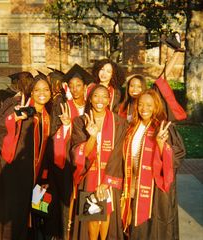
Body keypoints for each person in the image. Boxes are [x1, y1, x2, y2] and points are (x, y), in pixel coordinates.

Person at [0, 73, 52, 240]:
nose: (42, 93)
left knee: (24, 213)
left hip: (26, 172)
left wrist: (42, 178)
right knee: (7, 214)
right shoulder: (17, 103)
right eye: (37, 90)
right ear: (31, 91)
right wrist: (13, 118)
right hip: (3, 165)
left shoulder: (45, 115)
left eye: (45, 89)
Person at [121, 89, 186, 240]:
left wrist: (161, 144)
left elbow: (177, 156)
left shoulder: (164, 128)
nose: (144, 109)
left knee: (154, 229)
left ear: (156, 106)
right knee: (135, 228)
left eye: (149, 105)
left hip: (156, 189)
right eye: (141, 105)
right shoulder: (131, 128)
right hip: (133, 184)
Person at [70, 84, 127, 240]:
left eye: (104, 96)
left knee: (107, 215)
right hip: (89, 174)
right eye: (96, 96)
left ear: (109, 100)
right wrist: (93, 136)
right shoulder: (80, 122)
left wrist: (106, 181)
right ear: (90, 99)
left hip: (110, 176)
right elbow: (79, 153)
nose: (100, 100)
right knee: (92, 217)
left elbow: (118, 152)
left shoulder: (119, 122)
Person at [49, 63, 94, 239]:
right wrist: (66, 126)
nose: (75, 89)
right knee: (67, 200)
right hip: (67, 160)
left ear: (85, 87)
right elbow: (53, 133)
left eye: (78, 85)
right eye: (72, 86)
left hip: (88, 160)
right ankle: (65, 233)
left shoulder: (93, 106)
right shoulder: (62, 106)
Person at [118, 33, 187, 123]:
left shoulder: (151, 97)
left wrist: (177, 52)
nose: (135, 89)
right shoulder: (122, 107)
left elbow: (162, 77)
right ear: (127, 88)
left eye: (139, 86)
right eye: (132, 86)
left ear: (143, 87)